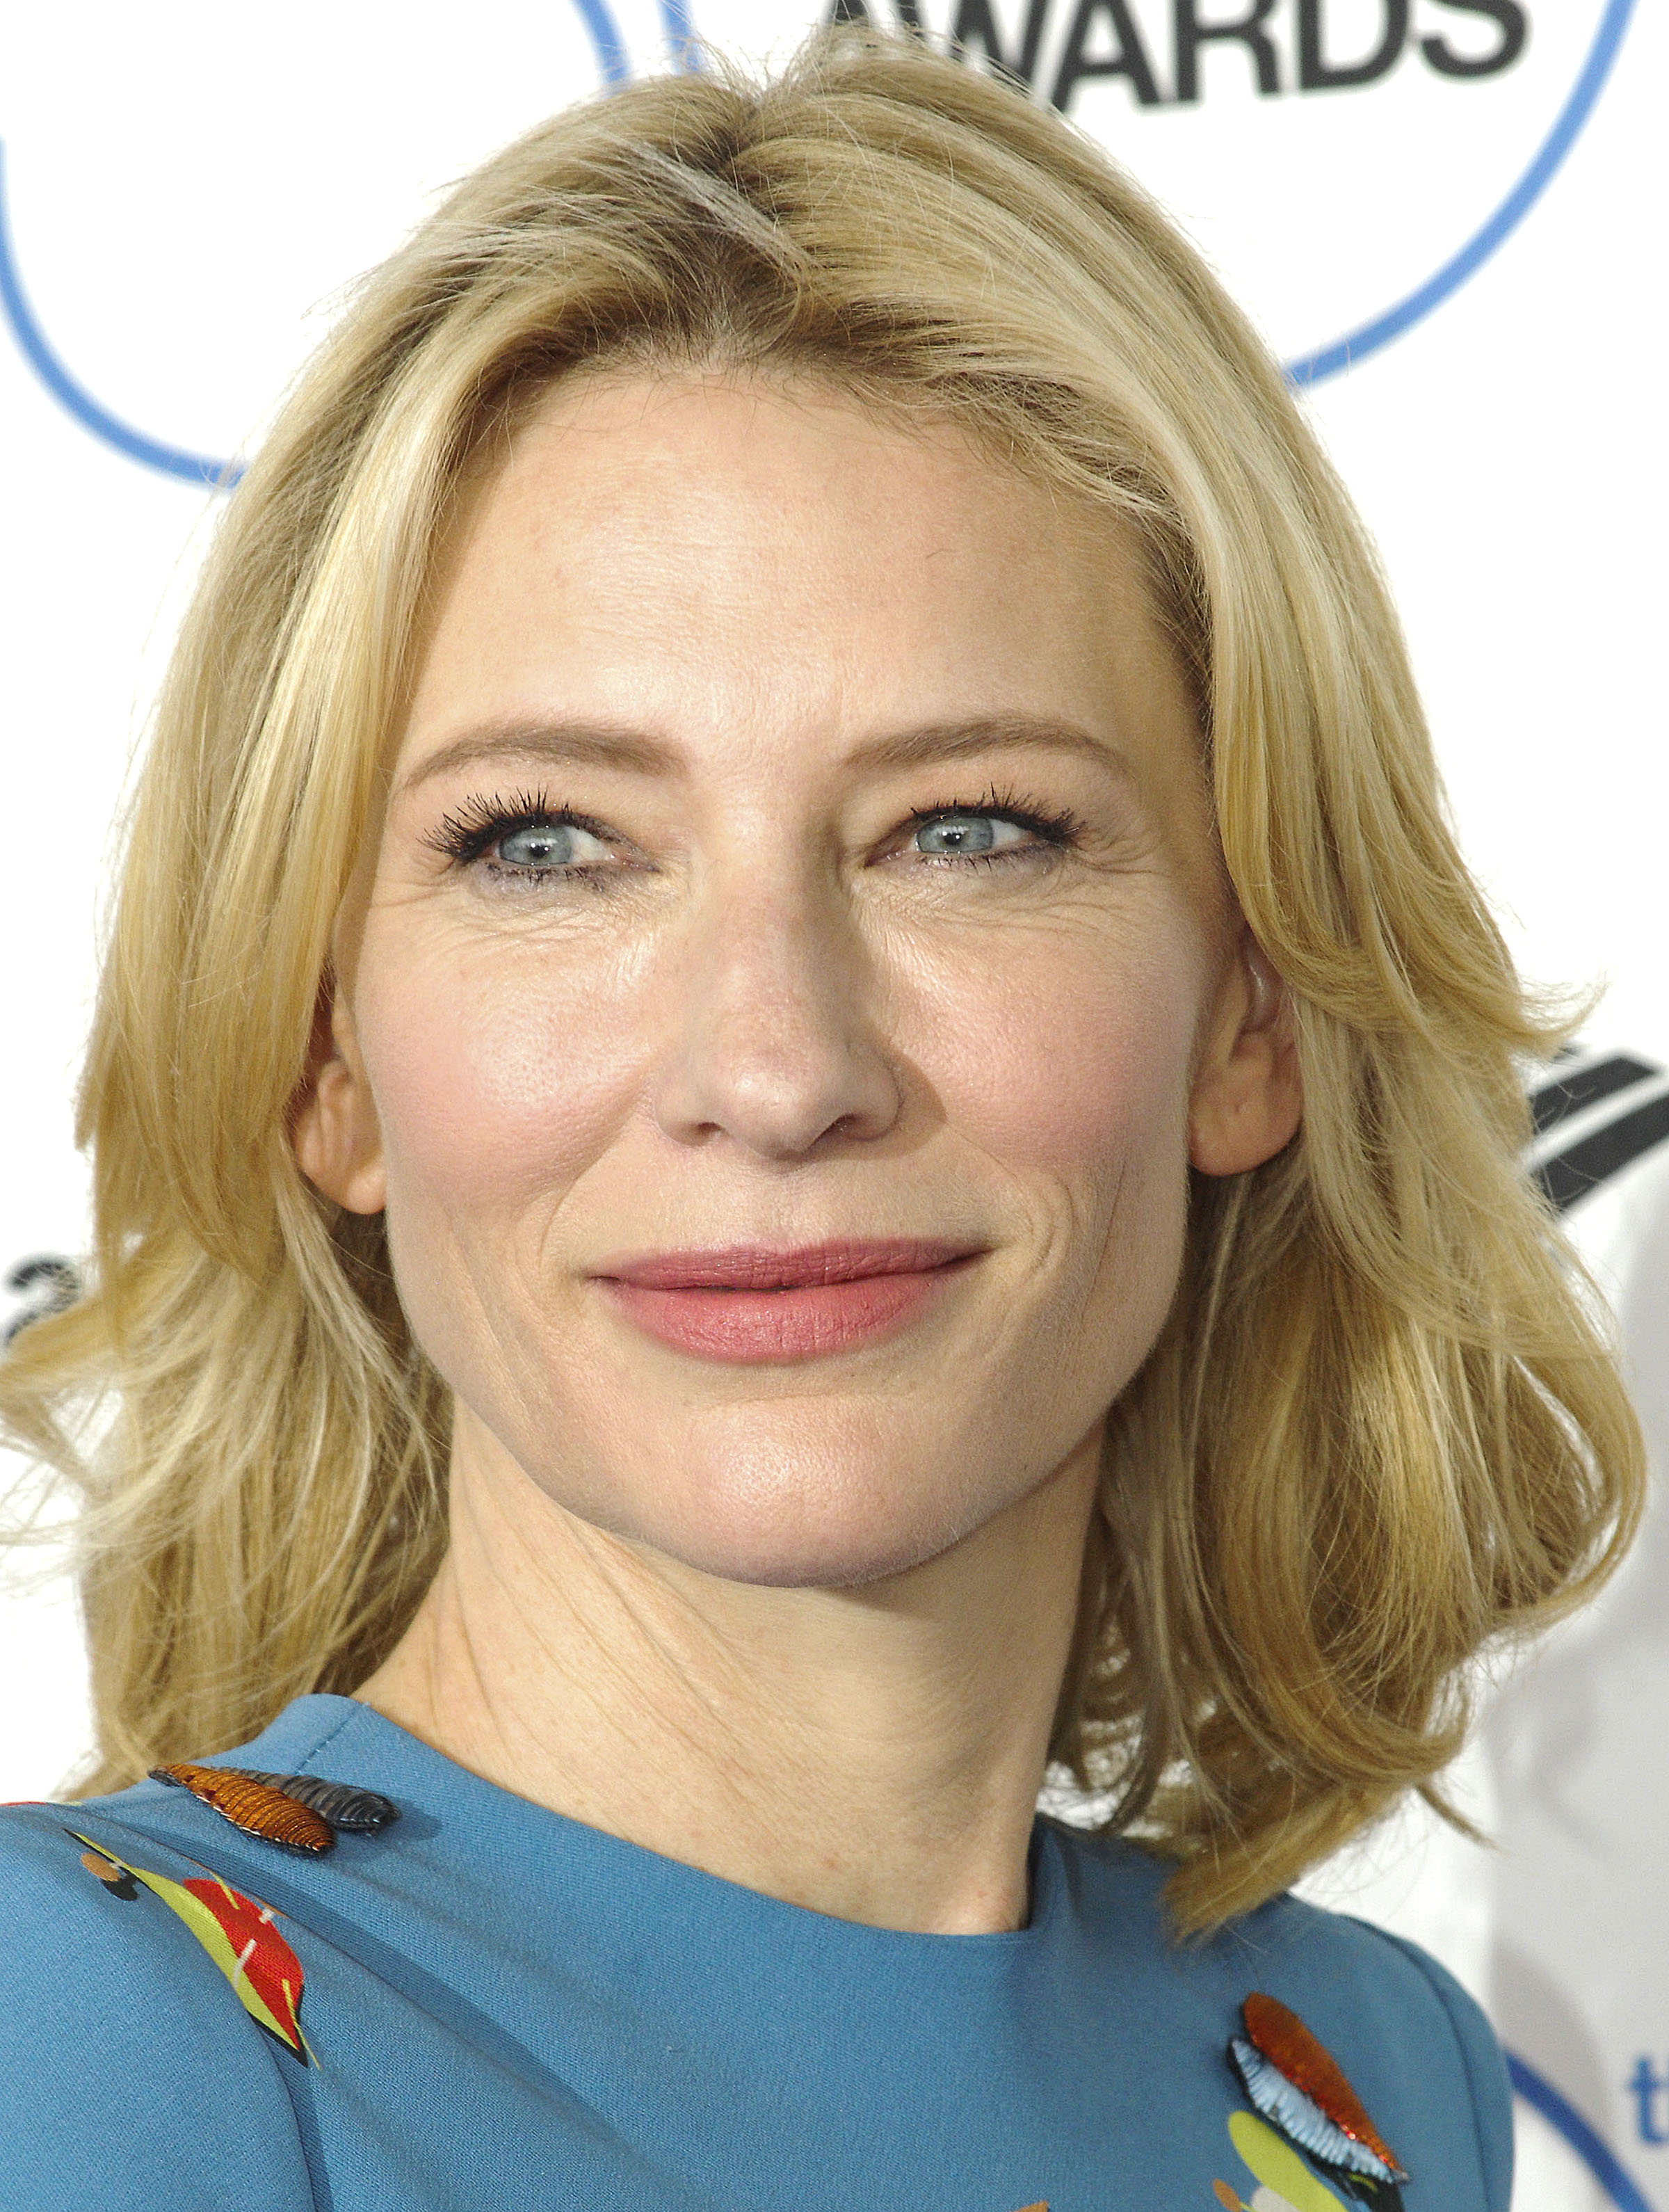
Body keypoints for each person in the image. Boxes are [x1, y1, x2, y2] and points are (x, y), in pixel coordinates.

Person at [0, 31, 1642, 2212]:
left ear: (1255, 1006)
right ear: (327, 1059)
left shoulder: (1374, 2077)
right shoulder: (73, 2036)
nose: (777, 1069)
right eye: (549, 846)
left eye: (967, 829)